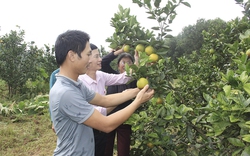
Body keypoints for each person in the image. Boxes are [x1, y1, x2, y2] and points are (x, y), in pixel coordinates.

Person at [49, 30, 154, 156]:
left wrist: (138, 91)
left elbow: (105, 101)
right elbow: (106, 124)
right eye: (88, 54)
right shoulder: (66, 92)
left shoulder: (75, 85)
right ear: (72, 56)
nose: (90, 59)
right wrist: (138, 101)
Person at [78, 43, 138, 156]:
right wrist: (122, 97)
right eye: (96, 56)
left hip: (102, 128)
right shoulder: (80, 82)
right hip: (89, 130)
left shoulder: (100, 76)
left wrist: (137, 61)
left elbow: (124, 78)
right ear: (87, 59)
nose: (100, 59)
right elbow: (95, 113)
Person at [101, 48, 138, 156]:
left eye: (129, 62)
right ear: (118, 65)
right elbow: (103, 62)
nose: (126, 64)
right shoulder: (113, 76)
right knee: (106, 149)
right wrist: (119, 51)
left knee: (123, 150)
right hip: (109, 117)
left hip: (125, 119)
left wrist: (137, 61)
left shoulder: (134, 80)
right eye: (123, 62)